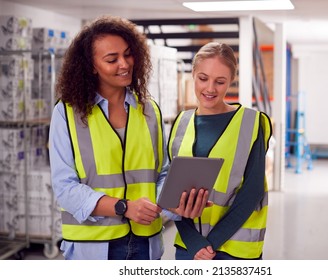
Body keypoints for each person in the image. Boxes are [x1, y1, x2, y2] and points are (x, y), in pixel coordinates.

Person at [48, 15, 208, 260]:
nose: (124, 64)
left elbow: (161, 173)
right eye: (112, 59)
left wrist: (175, 201)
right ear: (91, 65)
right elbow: (65, 187)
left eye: (128, 54)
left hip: (146, 242)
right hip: (93, 246)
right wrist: (123, 207)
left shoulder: (149, 110)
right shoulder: (67, 113)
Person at [167, 42, 272, 260]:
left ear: (231, 81)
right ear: (193, 75)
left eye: (220, 81)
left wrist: (210, 245)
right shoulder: (181, 123)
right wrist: (194, 243)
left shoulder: (251, 123)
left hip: (234, 250)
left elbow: (252, 193)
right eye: (203, 78)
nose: (210, 89)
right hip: (189, 247)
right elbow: (173, 193)